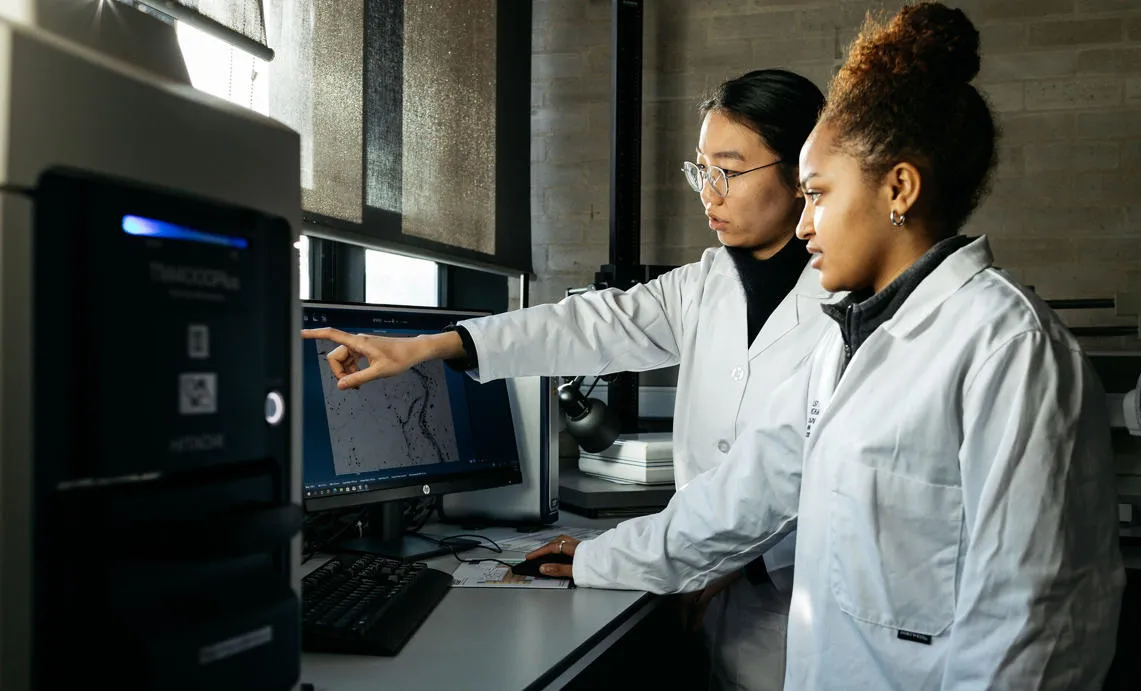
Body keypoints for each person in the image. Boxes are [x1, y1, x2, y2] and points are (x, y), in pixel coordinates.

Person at [523, 3, 1125, 688]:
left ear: (898, 187)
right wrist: (601, 558)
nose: (804, 223)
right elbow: (745, 493)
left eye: (817, 194)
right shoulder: (849, 346)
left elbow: (1034, 637)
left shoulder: (1010, 350)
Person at [303, 69, 833, 691]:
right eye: (700, 171)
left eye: (729, 170)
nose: (708, 193)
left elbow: (785, 484)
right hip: (700, 573)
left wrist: (706, 563)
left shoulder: (844, 304)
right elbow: (583, 325)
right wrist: (430, 345)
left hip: (792, 598)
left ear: (800, 173)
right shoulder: (704, 284)